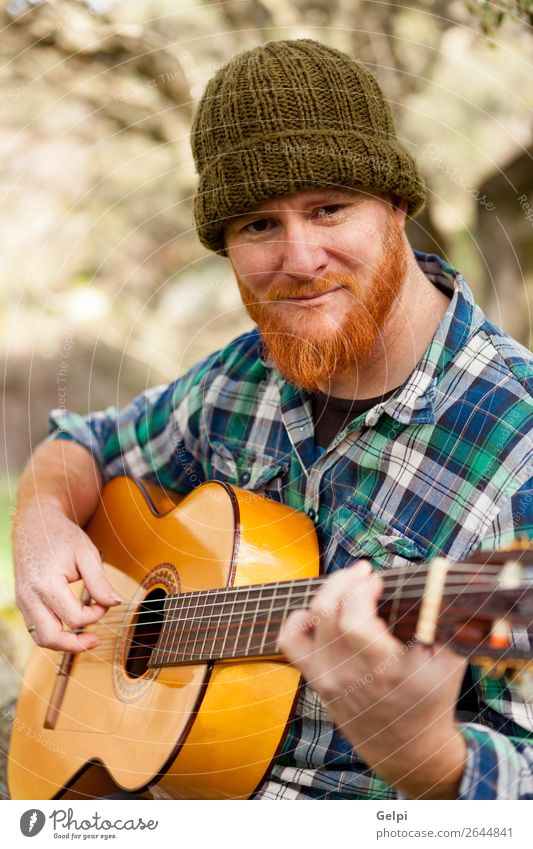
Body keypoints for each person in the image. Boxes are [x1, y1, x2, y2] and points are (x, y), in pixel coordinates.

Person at [12, 39, 533, 800]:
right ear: (222, 245)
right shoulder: (240, 376)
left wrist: (429, 757)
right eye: (258, 225)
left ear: (394, 206)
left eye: (328, 208)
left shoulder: (515, 438)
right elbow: (83, 444)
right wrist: (42, 520)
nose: (300, 257)